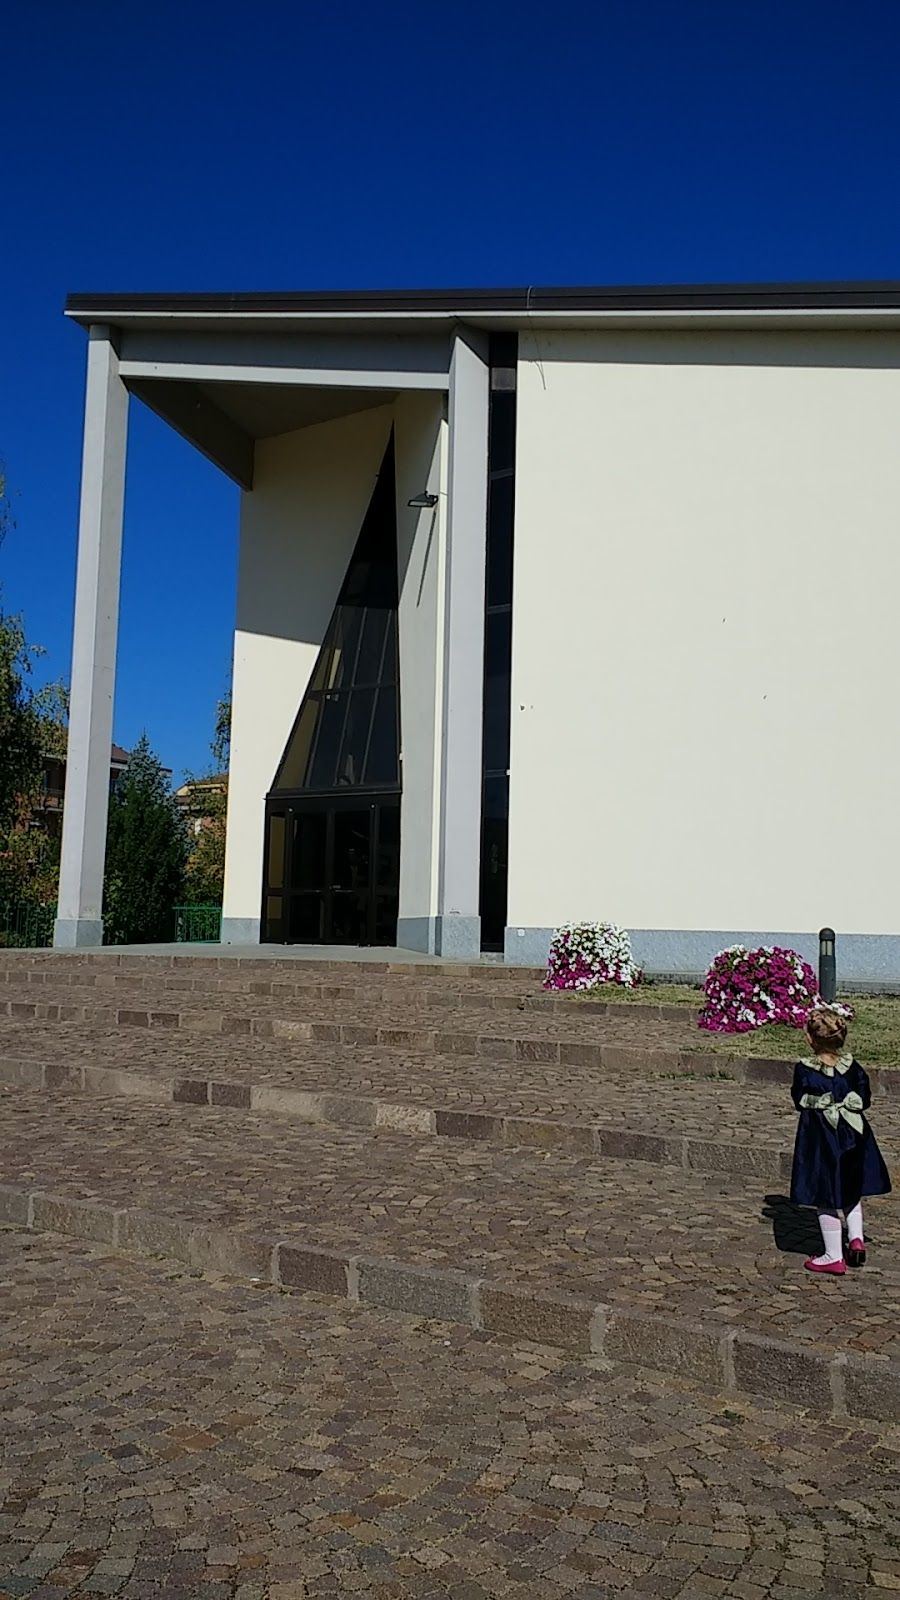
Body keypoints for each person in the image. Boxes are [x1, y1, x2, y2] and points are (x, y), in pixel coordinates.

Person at [790, 1007, 891, 1276]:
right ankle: (855, 1238)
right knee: (850, 1187)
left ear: (810, 1039)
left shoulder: (805, 1070)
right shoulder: (853, 1068)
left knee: (825, 1193)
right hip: (854, 1136)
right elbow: (865, 1098)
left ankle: (833, 1255)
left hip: (821, 1140)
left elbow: (798, 1099)